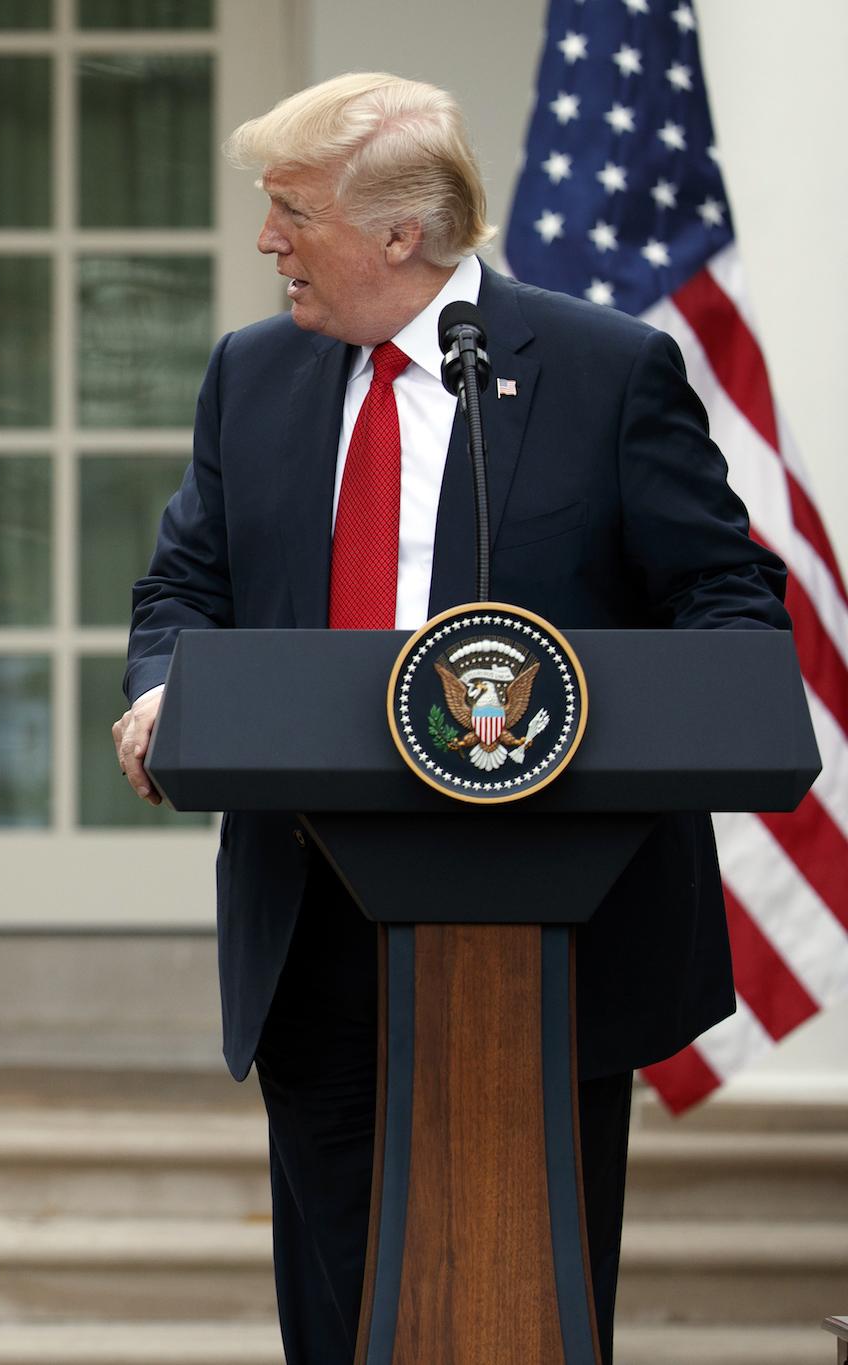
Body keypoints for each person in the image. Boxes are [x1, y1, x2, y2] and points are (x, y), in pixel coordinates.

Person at [111, 73, 787, 1363]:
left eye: (292, 213)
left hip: (551, 940)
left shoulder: (605, 371)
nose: (268, 244)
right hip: (314, 925)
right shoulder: (253, 375)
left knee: (526, 1309)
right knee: (340, 1314)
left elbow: (727, 602)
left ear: (400, 234)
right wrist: (161, 692)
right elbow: (184, 587)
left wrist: (647, 720)